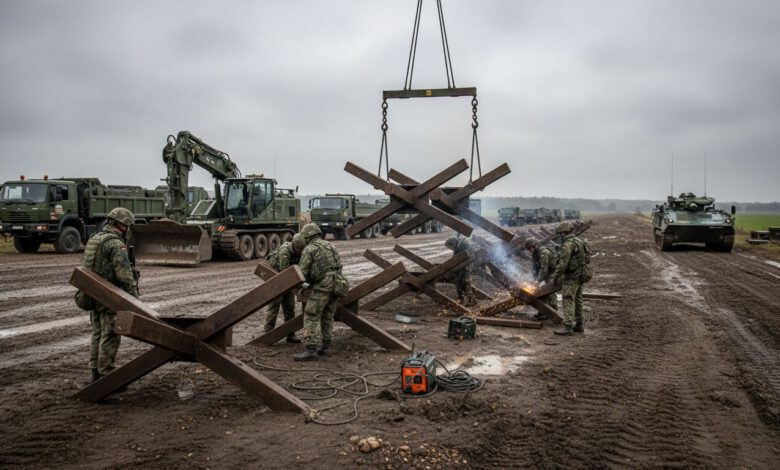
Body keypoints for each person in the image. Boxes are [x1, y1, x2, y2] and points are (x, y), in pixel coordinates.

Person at [81, 207, 138, 382]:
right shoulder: (115, 244)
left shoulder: (94, 239)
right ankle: (107, 374)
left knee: (97, 333)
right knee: (111, 335)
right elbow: (124, 276)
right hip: (109, 298)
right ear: (123, 225)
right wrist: (135, 301)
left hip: (93, 295)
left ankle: (94, 372)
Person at [294, 223, 348, 361]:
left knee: (310, 315)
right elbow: (339, 265)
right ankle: (326, 346)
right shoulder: (330, 245)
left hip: (322, 287)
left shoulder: (310, 249)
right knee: (328, 316)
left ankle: (310, 349)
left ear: (308, 237)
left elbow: (302, 272)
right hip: (336, 285)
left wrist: (303, 285)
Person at [263, 233, 307, 343]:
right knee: (274, 305)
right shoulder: (285, 251)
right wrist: (298, 284)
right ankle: (268, 334)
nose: (299, 252)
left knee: (289, 306)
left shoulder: (301, 251)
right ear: (294, 245)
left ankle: (290, 334)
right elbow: (285, 272)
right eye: (298, 249)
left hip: (289, 279)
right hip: (277, 278)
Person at [551, 222, 591, 335]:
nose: (560, 236)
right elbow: (587, 259)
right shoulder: (580, 241)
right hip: (581, 275)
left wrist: (555, 277)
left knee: (568, 299)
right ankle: (579, 324)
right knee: (578, 299)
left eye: (560, 233)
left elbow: (562, 265)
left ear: (563, 232)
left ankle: (568, 326)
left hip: (571, 277)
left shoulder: (567, 244)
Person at [524, 237, 558, 319]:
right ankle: (543, 311)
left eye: (530, 248)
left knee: (550, 292)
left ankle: (552, 311)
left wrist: (538, 280)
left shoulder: (544, 253)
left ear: (535, 245)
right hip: (543, 273)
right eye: (528, 249)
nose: (529, 250)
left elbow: (544, 269)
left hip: (551, 273)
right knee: (540, 292)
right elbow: (535, 267)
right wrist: (533, 279)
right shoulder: (535, 253)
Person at [445, 234, 477, 306]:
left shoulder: (463, 246)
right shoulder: (459, 246)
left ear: (454, 243)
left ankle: (470, 300)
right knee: (460, 283)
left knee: (464, 283)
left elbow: (460, 258)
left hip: (465, 267)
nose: (451, 248)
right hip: (463, 266)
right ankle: (462, 299)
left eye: (451, 246)